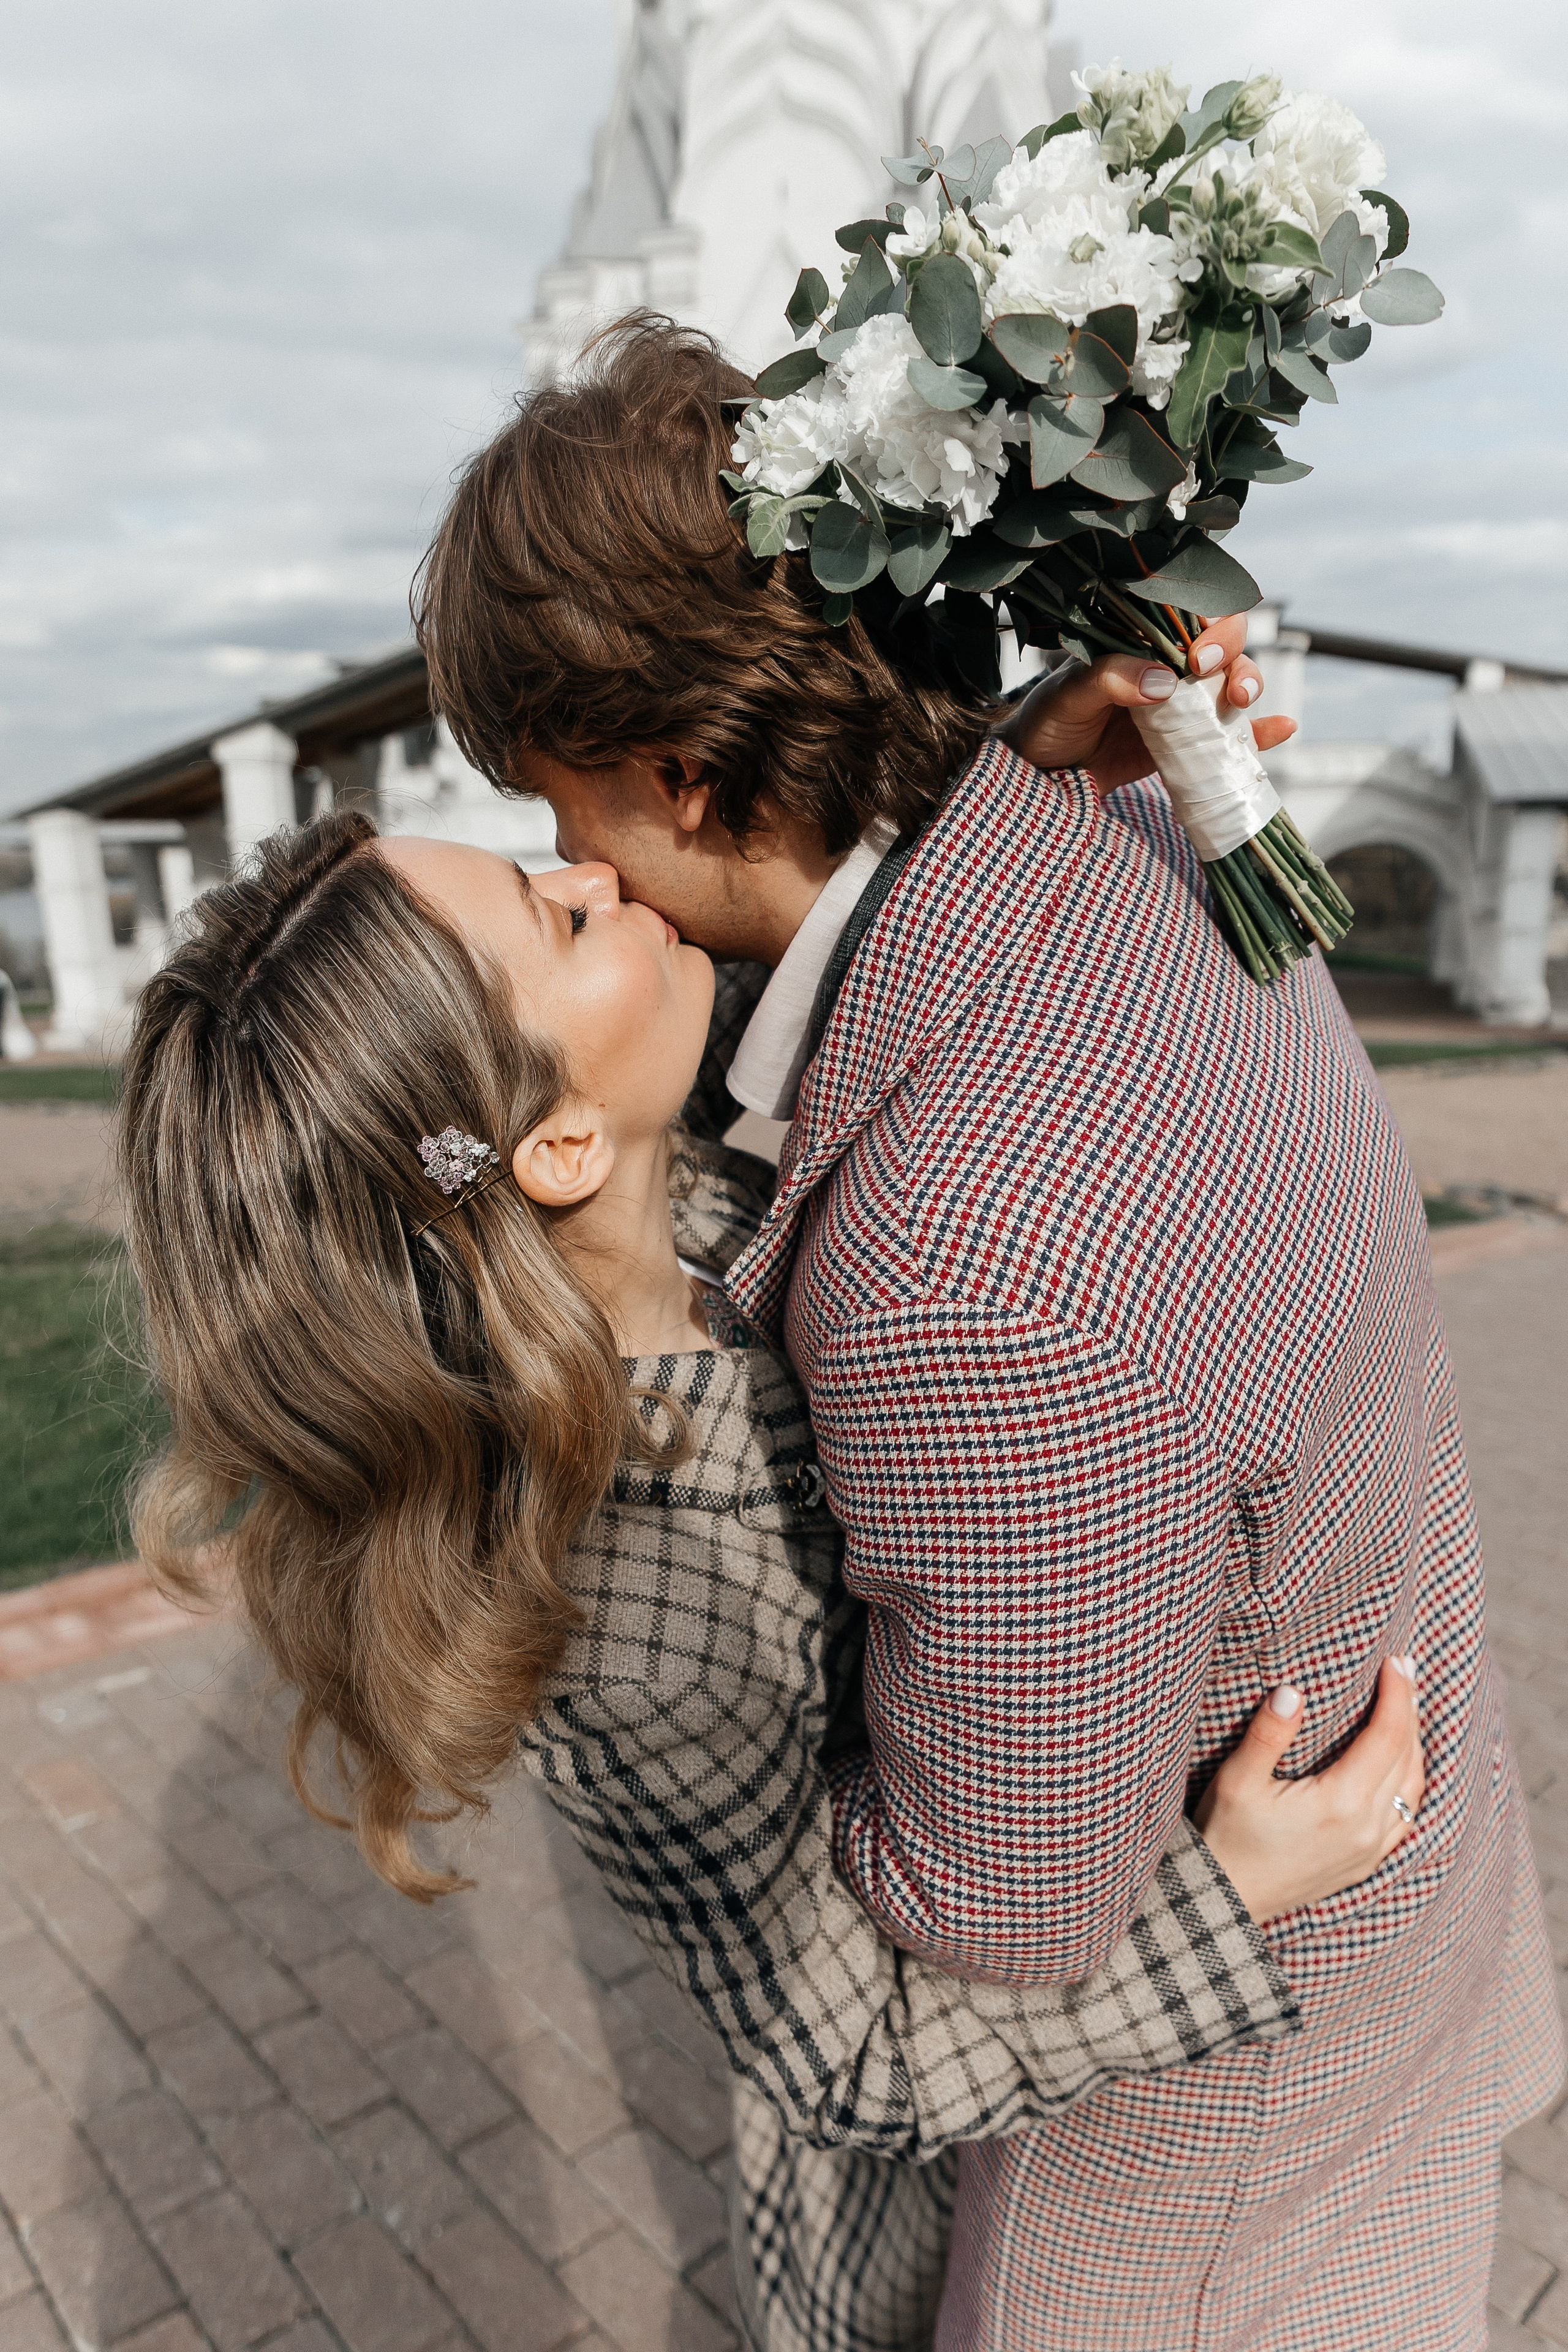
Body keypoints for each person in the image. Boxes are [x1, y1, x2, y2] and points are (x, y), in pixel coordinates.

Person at [413, 315, 1564, 2348]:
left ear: (684, 771)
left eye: (562, 811)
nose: (572, 865)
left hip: (1214, 2166)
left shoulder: (953, 1276)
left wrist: (782, 1740)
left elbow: (1007, 1913)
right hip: (1409, 1911)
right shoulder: (1134, 831)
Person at [122, 813, 1426, 2352]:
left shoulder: (697, 1155)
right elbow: (845, 2056)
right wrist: (1232, 1890)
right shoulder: (625, 1622)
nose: (593, 875)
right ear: (550, 1146)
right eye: (553, 920)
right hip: (937, 2223)